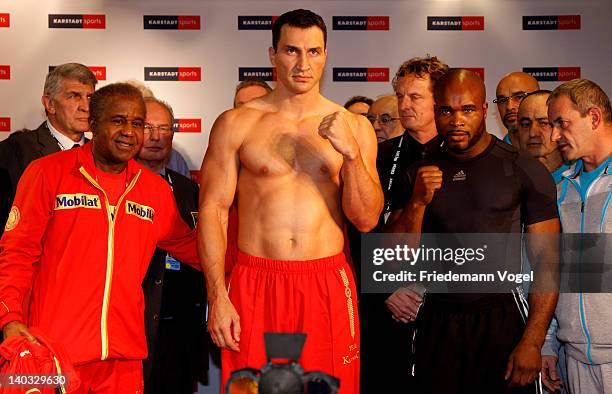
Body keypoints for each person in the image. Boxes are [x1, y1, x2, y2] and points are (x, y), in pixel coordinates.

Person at [198, 9, 383, 393]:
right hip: (254, 282)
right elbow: (213, 211)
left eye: (314, 52)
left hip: (326, 283)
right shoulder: (237, 123)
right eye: (291, 51)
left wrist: (351, 156)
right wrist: (217, 295)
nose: (303, 64)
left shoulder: (355, 126)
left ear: (326, 55)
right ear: (272, 55)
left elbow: (366, 220)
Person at [0, 83, 200, 393]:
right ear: (93, 123)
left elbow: (195, 249)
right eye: (118, 120)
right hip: (51, 355)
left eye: (137, 124)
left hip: (124, 361)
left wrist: (251, 254)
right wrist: (10, 317)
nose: (129, 132)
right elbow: (16, 253)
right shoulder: (47, 172)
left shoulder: (155, 191)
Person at [387, 69, 560, 393]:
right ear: (436, 110)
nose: (456, 120)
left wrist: (533, 342)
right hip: (437, 322)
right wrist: (417, 203)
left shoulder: (522, 168)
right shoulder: (417, 172)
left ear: (483, 110)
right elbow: (390, 258)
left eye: (467, 110)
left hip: (503, 320)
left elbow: (547, 264)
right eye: (446, 110)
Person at [541, 79, 612, 394]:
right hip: (573, 357)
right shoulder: (560, 189)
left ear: (594, 118)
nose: (554, 135)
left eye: (561, 123)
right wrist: (547, 343)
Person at [139, 97, 207, 394]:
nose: (156, 137)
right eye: (147, 127)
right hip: (134, 330)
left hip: (180, 333)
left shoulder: (188, 188)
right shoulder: (115, 187)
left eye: (164, 128)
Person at [0, 63, 97, 236]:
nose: (86, 107)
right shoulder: (14, 152)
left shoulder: (101, 155)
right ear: (50, 103)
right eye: (74, 96)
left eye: (90, 97)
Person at [517, 90, 569, 183]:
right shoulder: (507, 180)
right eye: (525, 124)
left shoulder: (578, 177)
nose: (532, 133)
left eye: (544, 123)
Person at [495, 71, 540, 146]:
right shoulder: (494, 155)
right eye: (502, 100)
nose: (509, 107)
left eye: (519, 97)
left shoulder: (560, 153)